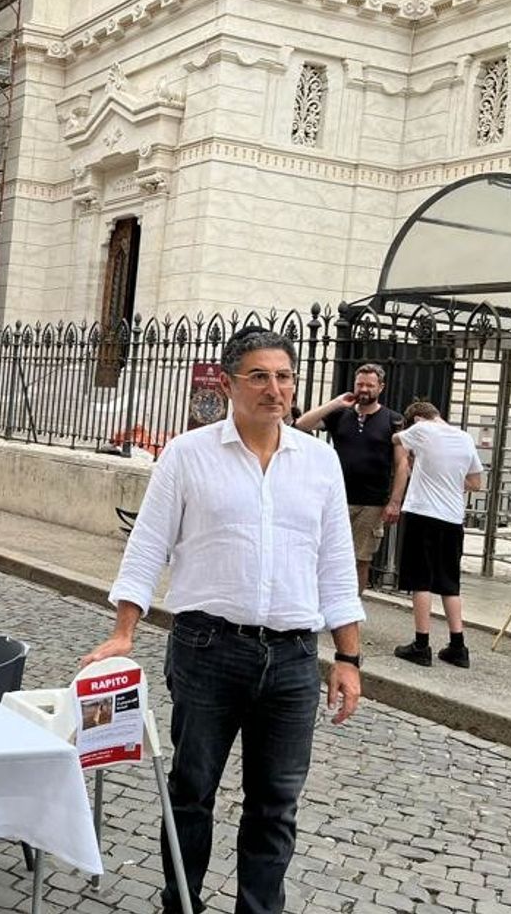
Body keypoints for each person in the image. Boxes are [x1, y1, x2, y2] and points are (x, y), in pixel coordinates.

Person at [83, 327, 365, 914]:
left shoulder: (318, 464)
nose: (274, 389)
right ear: (229, 382)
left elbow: (336, 564)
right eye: (259, 376)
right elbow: (147, 546)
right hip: (207, 649)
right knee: (191, 794)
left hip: (292, 659)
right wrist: (124, 630)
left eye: (284, 376)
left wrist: (349, 658)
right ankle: (180, 905)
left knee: (276, 804)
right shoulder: (188, 455)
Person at [385, 401, 484, 668]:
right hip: (452, 518)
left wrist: (405, 437)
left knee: (422, 580)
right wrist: (449, 481)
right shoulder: (464, 438)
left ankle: (421, 644)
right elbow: (475, 482)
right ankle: (457, 645)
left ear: (418, 418)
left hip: (423, 513)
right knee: (450, 583)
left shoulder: (422, 430)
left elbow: (395, 438)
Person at [295, 363, 404, 593]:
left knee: (359, 558)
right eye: (360, 384)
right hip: (335, 498)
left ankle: (351, 609)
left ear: (381, 387)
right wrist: (336, 402)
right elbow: (302, 424)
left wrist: (395, 501)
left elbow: (402, 463)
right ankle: (323, 601)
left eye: (370, 385)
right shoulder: (339, 415)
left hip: (372, 502)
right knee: (326, 554)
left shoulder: (392, 420)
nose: (364, 389)